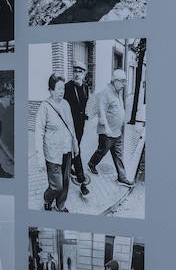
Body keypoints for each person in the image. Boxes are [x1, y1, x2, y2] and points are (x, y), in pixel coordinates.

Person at [36, 73, 77, 212]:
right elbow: (38, 133)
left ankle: (61, 205)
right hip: (52, 153)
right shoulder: (45, 107)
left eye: (63, 89)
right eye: (58, 89)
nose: (61, 92)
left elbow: (71, 126)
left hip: (67, 150)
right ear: (51, 90)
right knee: (56, 186)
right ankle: (47, 198)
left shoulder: (66, 104)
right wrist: (40, 158)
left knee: (65, 182)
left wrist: (75, 145)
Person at [88, 70, 133, 187]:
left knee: (119, 155)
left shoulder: (118, 92)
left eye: (125, 81)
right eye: (122, 81)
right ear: (115, 81)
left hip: (118, 131)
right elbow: (101, 111)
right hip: (107, 133)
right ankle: (91, 164)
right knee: (101, 151)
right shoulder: (106, 92)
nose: (124, 84)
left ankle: (122, 177)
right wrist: (107, 128)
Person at [64, 64, 91, 195]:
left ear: (84, 74)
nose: (77, 73)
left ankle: (69, 168)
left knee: (75, 147)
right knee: (76, 149)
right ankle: (82, 180)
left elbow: (86, 103)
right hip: (69, 124)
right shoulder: (67, 87)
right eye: (75, 70)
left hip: (81, 124)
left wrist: (86, 114)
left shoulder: (86, 87)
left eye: (80, 71)